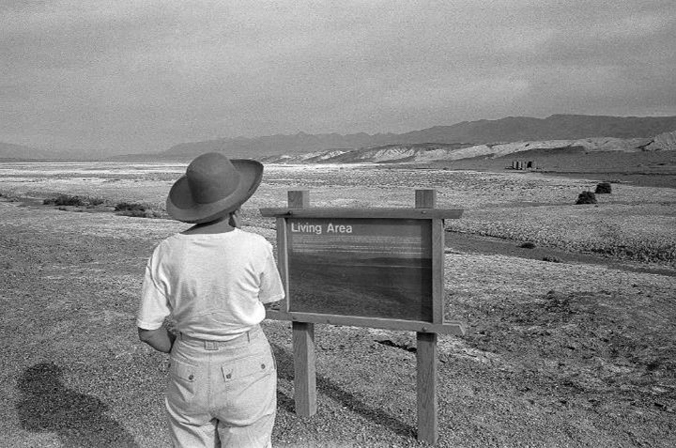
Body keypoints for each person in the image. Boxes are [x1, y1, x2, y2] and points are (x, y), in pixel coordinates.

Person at [136, 152, 285, 448]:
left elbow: (148, 331)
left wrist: (182, 346)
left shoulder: (166, 252)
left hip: (189, 363)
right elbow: (270, 301)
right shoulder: (256, 247)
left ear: (192, 205)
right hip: (247, 361)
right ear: (237, 204)